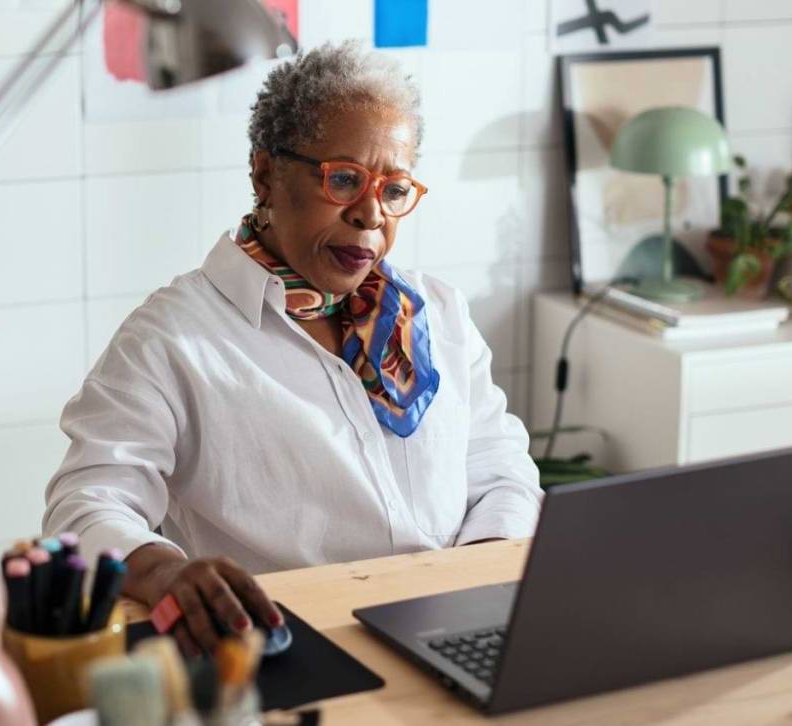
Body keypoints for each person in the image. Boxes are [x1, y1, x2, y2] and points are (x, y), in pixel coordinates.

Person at [44, 41, 542, 656]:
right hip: (288, 648)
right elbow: (86, 503)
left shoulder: (438, 315)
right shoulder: (174, 340)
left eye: (392, 191)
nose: (369, 215)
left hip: (452, 627)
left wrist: (476, 584)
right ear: (265, 174)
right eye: (343, 180)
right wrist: (165, 572)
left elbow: (501, 472)